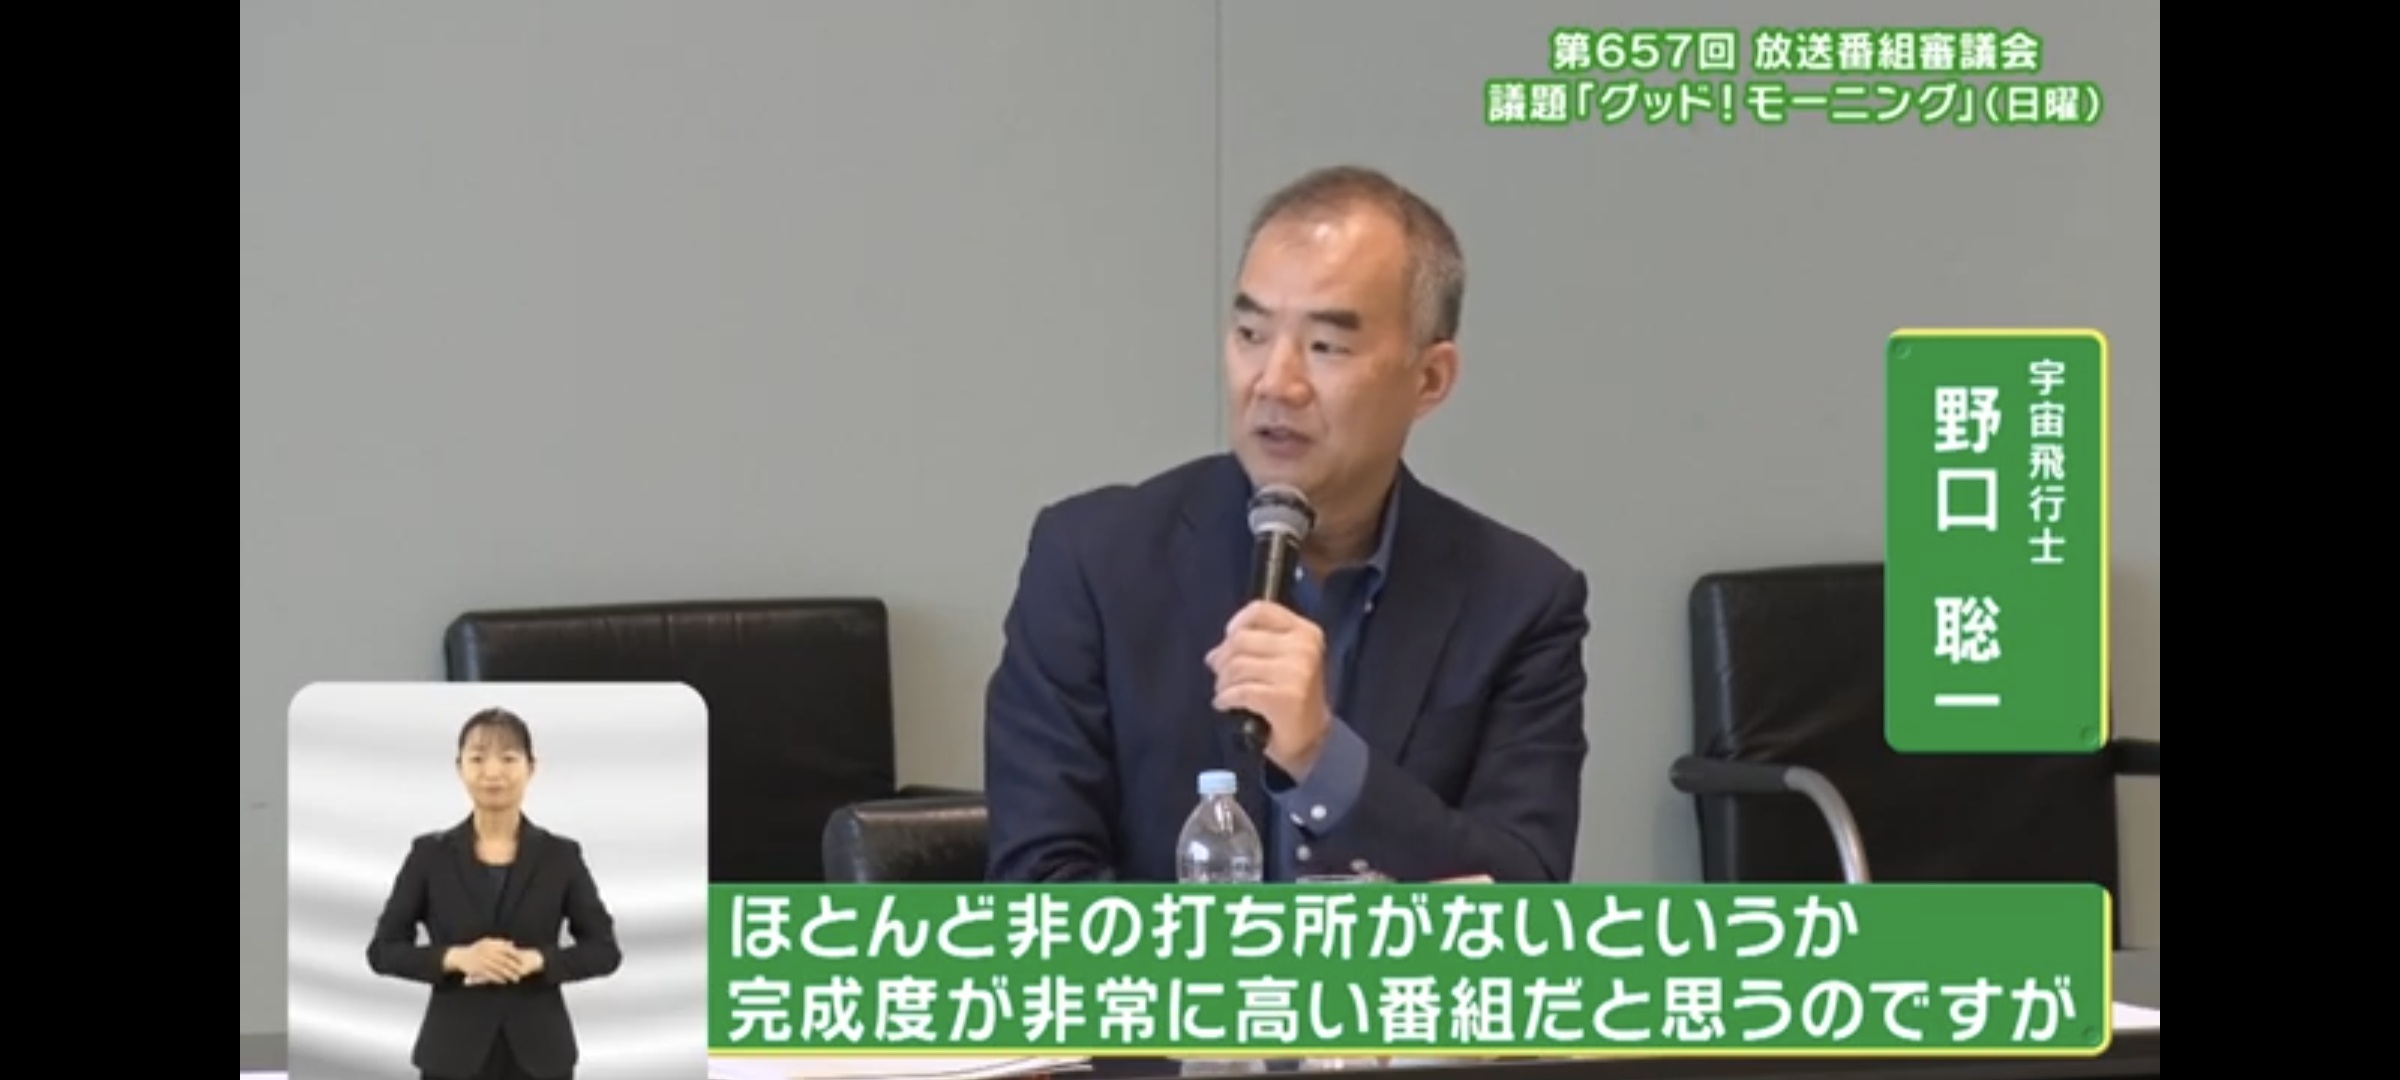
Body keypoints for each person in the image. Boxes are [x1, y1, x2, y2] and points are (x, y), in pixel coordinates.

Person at [983, 165, 1590, 885]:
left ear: (1430, 379)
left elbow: (1524, 895)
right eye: (1250, 333)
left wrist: (1323, 761)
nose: (1274, 382)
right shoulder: (1093, 562)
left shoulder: (1518, 600)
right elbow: (1039, 890)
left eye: (1326, 346)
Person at [366, 708, 622, 1080]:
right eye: (477, 758)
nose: (492, 771)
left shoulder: (560, 856)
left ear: (531, 767)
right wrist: (456, 958)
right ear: (459, 768)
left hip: (541, 1055)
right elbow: (383, 950)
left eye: (508, 758)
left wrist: (538, 961)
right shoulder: (429, 855)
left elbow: (604, 950)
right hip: (452, 1055)